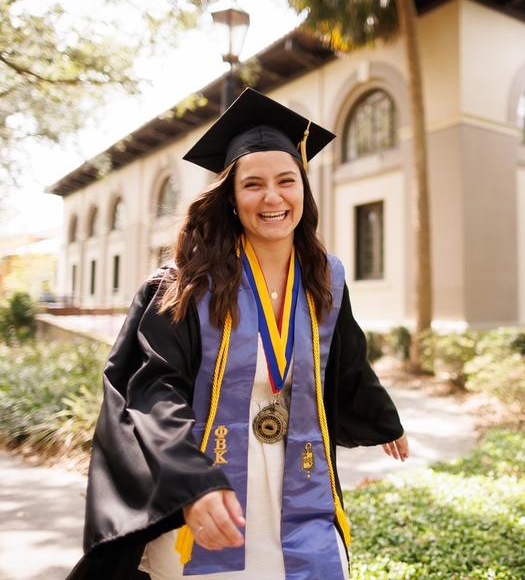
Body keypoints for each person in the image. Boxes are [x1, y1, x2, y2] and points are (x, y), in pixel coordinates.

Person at [65, 88, 409, 580]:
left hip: (298, 480)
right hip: (208, 487)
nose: (272, 197)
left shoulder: (324, 278)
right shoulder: (184, 285)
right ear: (230, 197)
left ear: (303, 190)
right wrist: (192, 482)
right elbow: (152, 389)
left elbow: (347, 358)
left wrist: (382, 418)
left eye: (286, 181)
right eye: (253, 185)